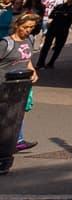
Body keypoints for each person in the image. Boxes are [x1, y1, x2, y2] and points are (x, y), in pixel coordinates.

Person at [0, 10, 40, 169]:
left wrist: (33, 71)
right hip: (3, 85)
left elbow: (27, 58)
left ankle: (16, 141)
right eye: (26, 27)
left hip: (21, 85)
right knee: (4, 118)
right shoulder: (5, 44)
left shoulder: (29, 40)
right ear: (17, 25)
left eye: (31, 27)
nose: (28, 30)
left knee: (16, 114)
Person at [37, 0, 72, 69]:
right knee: (46, 45)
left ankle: (51, 62)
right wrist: (61, 14)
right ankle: (40, 63)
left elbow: (69, 16)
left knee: (58, 47)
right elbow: (52, 14)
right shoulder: (61, 6)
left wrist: (60, 14)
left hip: (63, 29)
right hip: (53, 27)